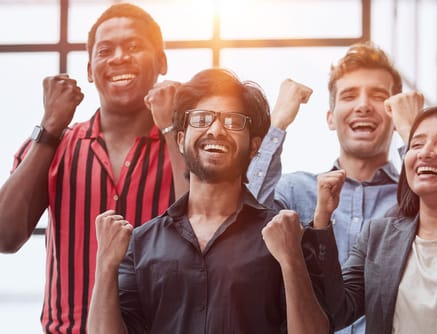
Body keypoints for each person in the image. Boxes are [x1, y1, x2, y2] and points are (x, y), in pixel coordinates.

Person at [87, 68, 329, 334]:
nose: (216, 130)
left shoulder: (285, 238)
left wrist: (292, 259)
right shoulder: (142, 243)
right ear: (181, 140)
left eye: (233, 121)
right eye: (201, 119)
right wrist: (105, 265)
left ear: (255, 145)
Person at [0, 3, 184, 334]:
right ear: (89, 69)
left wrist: (172, 128)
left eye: (133, 47)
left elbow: (208, 230)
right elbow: (4, 236)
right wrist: (50, 125)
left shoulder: (183, 147)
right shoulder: (53, 145)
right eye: (105, 50)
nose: (118, 58)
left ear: (162, 62)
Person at [268, 105, 437, 333]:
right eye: (416, 144)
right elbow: (337, 312)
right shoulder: (377, 236)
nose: (425, 153)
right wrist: (322, 220)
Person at [247, 41, 424, 334]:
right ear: (330, 118)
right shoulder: (294, 191)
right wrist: (276, 123)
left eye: (379, 96)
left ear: (395, 116)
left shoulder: (414, 199)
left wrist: (415, 133)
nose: (364, 105)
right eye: (349, 95)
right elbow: (241, 219)